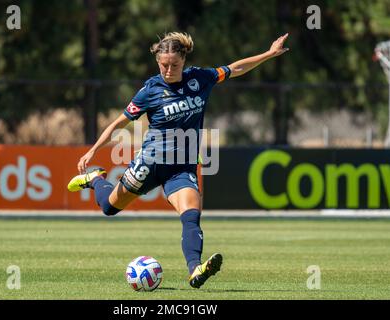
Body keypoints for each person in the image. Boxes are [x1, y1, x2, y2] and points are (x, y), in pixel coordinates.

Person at [68, 32, 289, 288]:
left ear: (183, 60)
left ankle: (196, 270)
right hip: (149, 164)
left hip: (181, 167)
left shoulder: (201, 78)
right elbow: (118, 123)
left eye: (174, 64)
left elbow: (235, 68)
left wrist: (269, 54)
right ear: (157, 62)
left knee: (191, 214)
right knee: (109, 207)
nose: (168, 69)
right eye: (163, 64)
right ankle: (96, 179)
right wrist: (92, 150)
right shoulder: (150, 90)